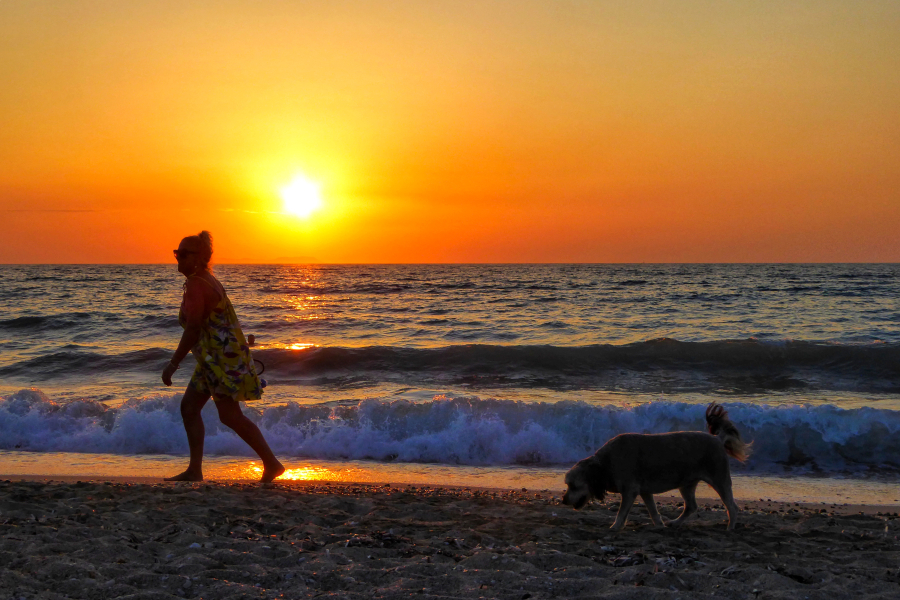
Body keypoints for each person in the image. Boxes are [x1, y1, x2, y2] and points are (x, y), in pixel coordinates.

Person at [162, 231, 284, 483]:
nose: (178, 258)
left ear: (199, 258)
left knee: (229, 415)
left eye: (184, 254)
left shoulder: (198, 284)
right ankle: (195, 470)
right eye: (177, 253)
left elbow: (194, 328)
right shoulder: (204, 279)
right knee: (189, 408)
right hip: (212, 360)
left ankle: (272, 463)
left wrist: (173, 364)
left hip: (221, 361)